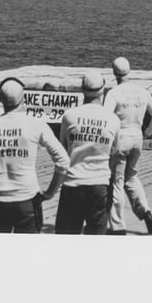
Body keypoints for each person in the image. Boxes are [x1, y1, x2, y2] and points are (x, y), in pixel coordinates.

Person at [0, 76, 69, 233]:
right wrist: (50, 192)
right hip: (27, 200)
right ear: (23, 99)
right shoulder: (36, 125)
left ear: (0, 100)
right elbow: (63, 161)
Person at [102, 56, 152, 235]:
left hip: (120, 137)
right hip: (137, 136)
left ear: (114, 73)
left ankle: (117, 225)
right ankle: (146, 212)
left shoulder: (114, 93)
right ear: (129, 71)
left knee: (117, 182)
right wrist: (147, 133)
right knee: (132, 177)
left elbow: (106, 118)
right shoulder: (142, 91)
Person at [55, 70, 121, 235]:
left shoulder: (69, 116)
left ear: (82, 90)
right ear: (103, 90)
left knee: (66, 240)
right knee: (96, 242)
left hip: (72, 184)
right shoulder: (113, 119)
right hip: (100, 184)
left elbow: (63, 149)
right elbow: (115, 153)